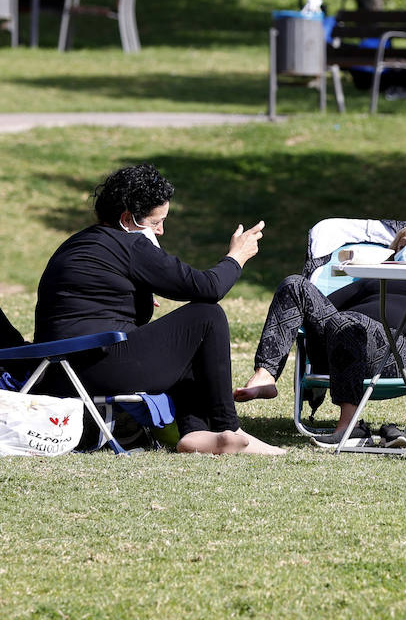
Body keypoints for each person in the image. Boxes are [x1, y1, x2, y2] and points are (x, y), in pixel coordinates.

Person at [34, 164, 284, 456]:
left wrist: (136, 296)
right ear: (127, 219)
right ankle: (228, 427)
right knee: (206, 316)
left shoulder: (78, 243)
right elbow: (208, 288)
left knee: (185, 339)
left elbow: (91, 305)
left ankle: (196, 432)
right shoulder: (129, 245)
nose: (161, 231)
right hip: (95, 367)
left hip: (59, 369)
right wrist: (236, 256)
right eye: (156, 222)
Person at [235, 221, 406, 444]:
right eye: (402, 245)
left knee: (351, 324)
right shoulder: (371, 279)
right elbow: (320, 307)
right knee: (295, 285)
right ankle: (265, 375)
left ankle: (348, 428)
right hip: (342, 343)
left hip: (404, 355)